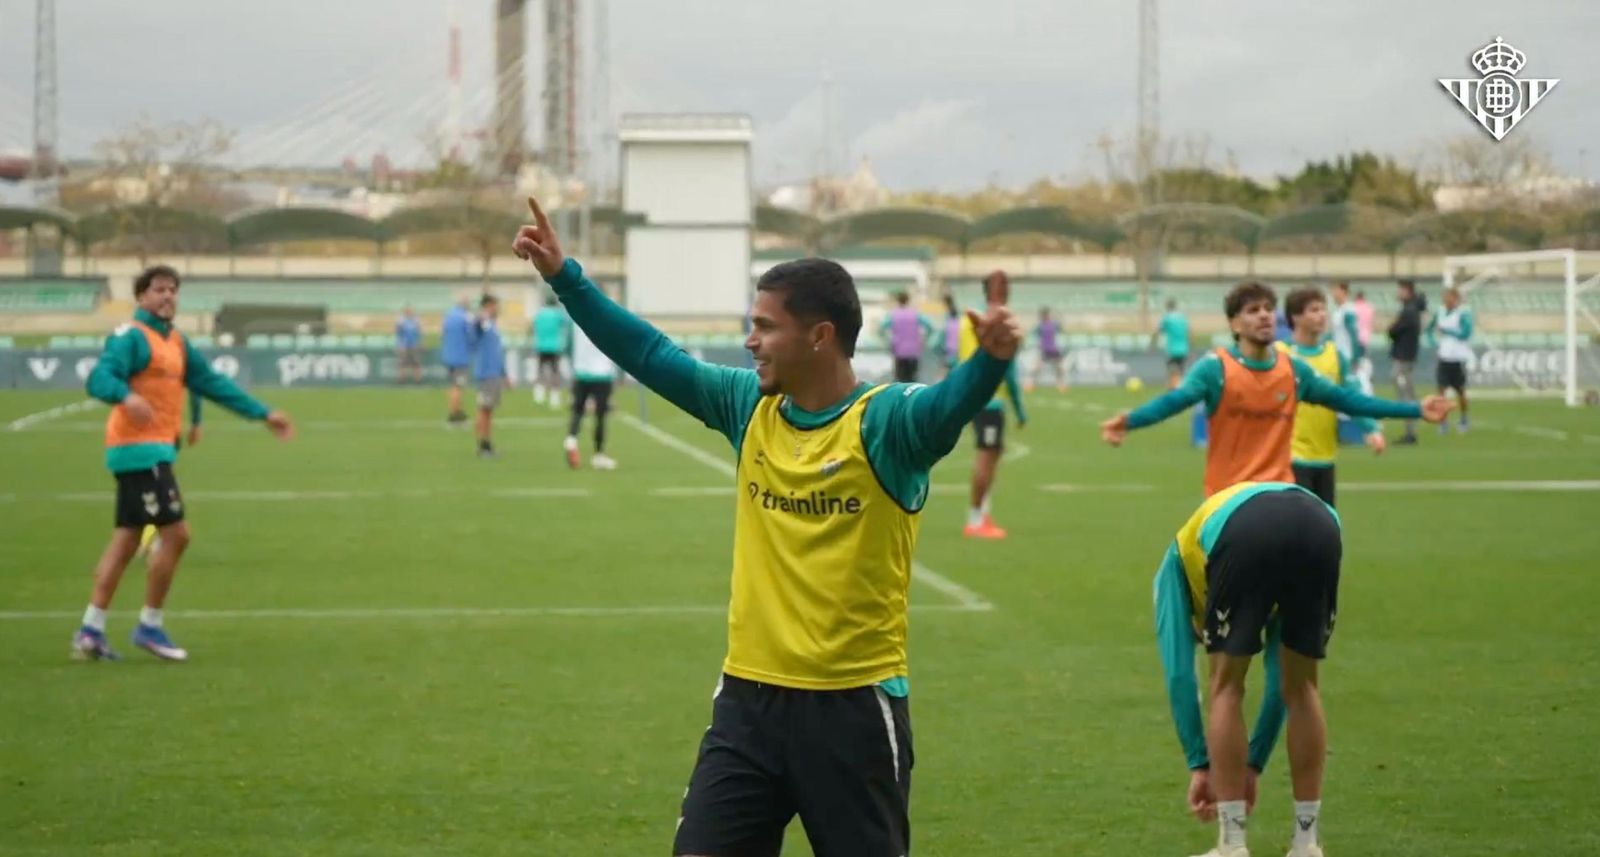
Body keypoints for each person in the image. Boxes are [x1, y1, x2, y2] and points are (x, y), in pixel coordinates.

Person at [513, 195, 1020, 857]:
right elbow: (652, 353)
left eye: (765, 326)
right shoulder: (747, 404)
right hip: (748, 704)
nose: (750, 340)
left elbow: (948, 407)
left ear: (820, 335)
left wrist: (989, 361)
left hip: (853, 709)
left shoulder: (885, 424)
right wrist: (565, 277)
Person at [75, 265, 294, 662]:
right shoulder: (132, 337)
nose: (168, 297)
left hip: (152, 451)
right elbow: (98, 378)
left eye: (173, 290)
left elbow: (210, 382)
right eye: (159, 290)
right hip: (140, 451)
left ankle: (91, 629)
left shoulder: (175, 340)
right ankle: (150, 625)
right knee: (177, 535)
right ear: (141, 297)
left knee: (127, 540)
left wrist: (262, 414)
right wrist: (126, 397)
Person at [1100, 282, 1452, 497]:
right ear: (1235, 324)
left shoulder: (1293, 371)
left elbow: (1350, 399)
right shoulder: (1215, 369)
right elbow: (1173, 401)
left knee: (1304, 579)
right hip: (1227, 500)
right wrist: (1129, 421)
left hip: (1279, 494)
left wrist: (1416, 409)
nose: (1265, 315)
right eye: (1253, 310)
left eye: (1269, 308)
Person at [1153, 481, 1342, 857]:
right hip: (1321, 523)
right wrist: (1251, 764)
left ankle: (1232, 845)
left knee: (1226, 686)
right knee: (1303, 686)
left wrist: (1201, 764)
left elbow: (1179, 674)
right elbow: (1280, 686)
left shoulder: (1173, 568)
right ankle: (1307, 843)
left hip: (1244, 531)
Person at [1275, 287, 1385, 507]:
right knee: (1300, 528)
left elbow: (1351, 397)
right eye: (1314, 310)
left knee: (1326, 529)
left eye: (1323, 310)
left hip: (1325, 456)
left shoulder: (1335, 356)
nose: (1322, 315)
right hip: (1290, 457)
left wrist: (1370, 428)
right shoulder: (1279, 354)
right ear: (1295, 317)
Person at [959, 270, 1026, 539]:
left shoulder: (971, 321)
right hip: (987, 400)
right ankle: (975, 520)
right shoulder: (996, 322)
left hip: (982, 399)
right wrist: (1020, 408)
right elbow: (1005, 368)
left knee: (992, 456)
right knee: (986, 458)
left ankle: (982, 514)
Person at [564, 321, 618, 470]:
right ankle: (598, 455)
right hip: (602, 374)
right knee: (600, 416)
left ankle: (571, 440)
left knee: (578, 411)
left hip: (581, 372)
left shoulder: (575, 320)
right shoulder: (606, 318)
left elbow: (568, 347)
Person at [1427, 286, 1473, 434]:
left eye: (1450, 297)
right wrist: (1433, 342)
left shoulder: (1463, 313)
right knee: (1441, 392)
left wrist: (1447, 331)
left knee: (1461, 392)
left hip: (1458, 358)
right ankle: (1443, 421)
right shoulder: (1440, 312)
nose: (1447, 300)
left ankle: (1464, 418)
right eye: (1445, 297)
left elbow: (1466, 333)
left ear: (1456, 299)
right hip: (1444, 357)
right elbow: (1429, 328)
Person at [1387, 280, 1426, 444]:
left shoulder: (1409, 311)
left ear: (1407, 291)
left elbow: (1394, 330)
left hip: (1404, 355)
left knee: (1405, 391)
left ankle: (1410, 430)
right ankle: (1410, 429)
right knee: (1405, 389)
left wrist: (1392, 329)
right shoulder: (1412, 310)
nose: (1398, 293)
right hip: (1406, 355)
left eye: (1400, 290)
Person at [470, 294, 509, 458]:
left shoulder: (492, 325)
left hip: (494, 373)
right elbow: (476, 324)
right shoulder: (484, 322)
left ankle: (486, 442)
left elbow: (497, 352)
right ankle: (482, 445)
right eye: (494, 305)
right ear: (487, 306)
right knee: (483, 409)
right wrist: (481, 315)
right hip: (486, 373)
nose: (497, 308)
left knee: (489, 410)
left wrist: (504, 374)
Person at [878, 291, 934, 383]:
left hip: (899, 352)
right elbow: (930, 327)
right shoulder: (916, 314)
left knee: (900, 380)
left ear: (898, 301)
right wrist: (924, 340)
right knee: (913, 380)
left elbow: (881, 329)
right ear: (908, 300)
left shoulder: (893, 315)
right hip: (914, 351)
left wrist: (889, 341)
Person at [1327, 283, 1368, 392]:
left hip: (1347, 356)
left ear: (1343, 292)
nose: (1333, 294)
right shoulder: (1338, 311)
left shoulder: (1348, 310)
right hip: (1338, 355)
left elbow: (1354, 335)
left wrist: (1355, 358)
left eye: (1335, 290)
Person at [532, 295, 571, 408]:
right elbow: (566, 324)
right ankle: (554, 398)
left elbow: (534, 326)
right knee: (555, 372)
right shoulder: (557, 314)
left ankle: (539, 395)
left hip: (541, 345)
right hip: (554, 346)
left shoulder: (539, 314)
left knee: (540, 371)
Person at [441, 295, 473, 424]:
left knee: (453, 385)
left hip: (449, 355)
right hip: (460, 357)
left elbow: (443, 333)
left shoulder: (449, 315)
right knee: (458, 387)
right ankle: (455, 414)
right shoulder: (465, 317)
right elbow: (471, 335)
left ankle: (457, 410)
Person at [1152, 299, 1192, 389]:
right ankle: (1179, 390)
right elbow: (1189, 333)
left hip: (1173, 350)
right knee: (1180, 373)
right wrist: (1191, 347)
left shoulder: (1167, 318)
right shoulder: (1182, 318)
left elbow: (1158, 331)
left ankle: (1172, 392)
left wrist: (1152, 343)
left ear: (1167, 307)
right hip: (1184, 349)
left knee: (1171, 372)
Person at [1031, 307, 1067, 392]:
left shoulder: (1054, 324)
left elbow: (1062, 330)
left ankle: (1060, 384)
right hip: (1044, 349)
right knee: (1037, 368)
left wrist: (1062, 321)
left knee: (1059, 368)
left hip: (1054, 349)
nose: (1046, 316)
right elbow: (1034, 334)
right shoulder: (1040, 325)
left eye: (1047, 314)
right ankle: (1032, 383)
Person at [935, 295, 961, 380]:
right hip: (958, 353)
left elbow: (936, 343)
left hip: (949, 354)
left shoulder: (947, 320)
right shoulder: (959, 318)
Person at [395, 305, 423, 384]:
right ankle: (401, 380)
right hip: (404, 346)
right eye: (407, 311)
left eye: (410, 311)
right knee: (402, 364)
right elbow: (398, 333)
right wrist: (399, 345)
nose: (409, 313)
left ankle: (418, 380)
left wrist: (420, 343)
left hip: (414, 345)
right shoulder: (401, 321)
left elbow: (419, 333)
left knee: (416, 364)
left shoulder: (415, 321)